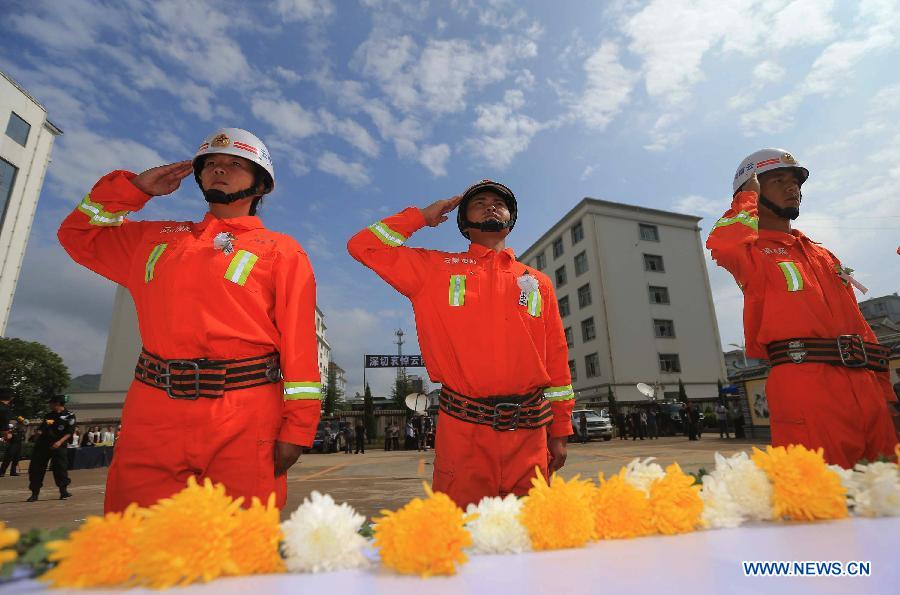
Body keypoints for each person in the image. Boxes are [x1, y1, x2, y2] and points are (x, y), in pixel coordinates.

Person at [58, 128, 321, 512]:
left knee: (239, 550)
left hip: (244, 415)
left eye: (234, 164)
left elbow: (300, 345)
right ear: (197, 176)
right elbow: (78, 234)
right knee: (136, 543)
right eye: (211, 163)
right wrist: (134, 189)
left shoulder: (282, 251)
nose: (219, 169)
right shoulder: (154, 238)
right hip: (152, 413)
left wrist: (298, 427)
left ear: (261, 184)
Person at [348, 179, 574, 508]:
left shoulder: (538, 283)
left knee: (529, 540)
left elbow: (555, 358)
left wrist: (561, 429)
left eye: (499, 203)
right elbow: (363, 246)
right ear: (463, 223)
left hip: (530, 436)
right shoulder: (434, 269)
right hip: (464, 435)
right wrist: (420, 217)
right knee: (462, 540)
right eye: (479, 202)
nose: (491, 205)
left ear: (511, 218)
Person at [707, 148, 898, 467]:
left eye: (795, 181)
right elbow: (722, 244)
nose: (792, 187)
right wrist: (745, 201)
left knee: (887, 491)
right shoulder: (751, 252)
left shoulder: (823, 255)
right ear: (751, 190)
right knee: (821, 499)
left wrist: (887, 397)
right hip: (806, 388)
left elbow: (862, 328)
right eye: (778, 180)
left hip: (867, 388)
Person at [27, 395, 75, 501]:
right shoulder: (49, 415)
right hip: (43, 445)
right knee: (37, 469)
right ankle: (34, 493)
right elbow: (42, 428)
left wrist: (59, 442)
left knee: (60, 468)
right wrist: (37, 433)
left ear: (57, 403)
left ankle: (63, 491)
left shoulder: (69, 416)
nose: (50, 405)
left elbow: (69, 432)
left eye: (51, 403)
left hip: (59, 445)